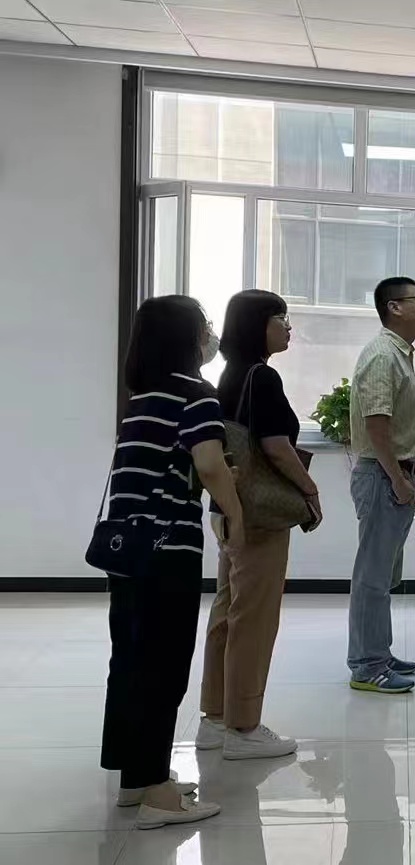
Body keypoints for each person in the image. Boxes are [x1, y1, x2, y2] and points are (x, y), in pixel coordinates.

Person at [99, 295, 242, 829]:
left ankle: (136, 779)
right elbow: (210, 465)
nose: (210, 334)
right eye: (204, 325)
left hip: (126, 551)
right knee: (163, 667)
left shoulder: (141, 398)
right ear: (186, 338)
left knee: (131, 661)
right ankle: (159, 794)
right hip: (168, 550)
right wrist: (235, 514)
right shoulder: (195, 394)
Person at [196, 290, 322, 759]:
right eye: (280, 318)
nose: (288, 327)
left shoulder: (229, 374)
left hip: (226, 507)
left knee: (227, 611)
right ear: (257, 326)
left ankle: (215, 717)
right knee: (254, 617)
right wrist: (309, 489)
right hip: (260, 514)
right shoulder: (263, 376)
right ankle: (244, 727)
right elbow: (275, 446)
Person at [346, 276, 415, 694]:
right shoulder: (382, 355)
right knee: (373, 577)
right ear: (394, 307)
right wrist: (397, 479)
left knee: (383, 575)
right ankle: (367, 666)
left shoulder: (399, 353)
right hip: (384, 475)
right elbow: (376, 424)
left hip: (393, 474)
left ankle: (378, 651)